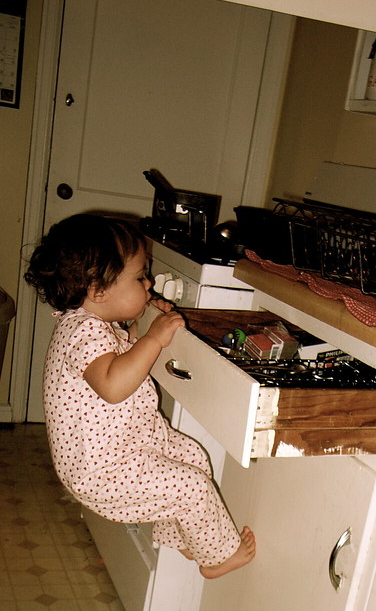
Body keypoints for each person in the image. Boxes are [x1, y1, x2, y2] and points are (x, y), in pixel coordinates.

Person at [24, 213, 256, 579]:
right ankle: (216, 558)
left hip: (126, 447)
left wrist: (138, 330)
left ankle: (184, 535)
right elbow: (113, 385)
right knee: (192, 486)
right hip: (104, 470)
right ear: (98, 290)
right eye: (139, 277)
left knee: (191, 456)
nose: (148, 283)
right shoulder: (84, 332)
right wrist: (154, 339)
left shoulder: (89, 324)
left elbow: (116, 355)